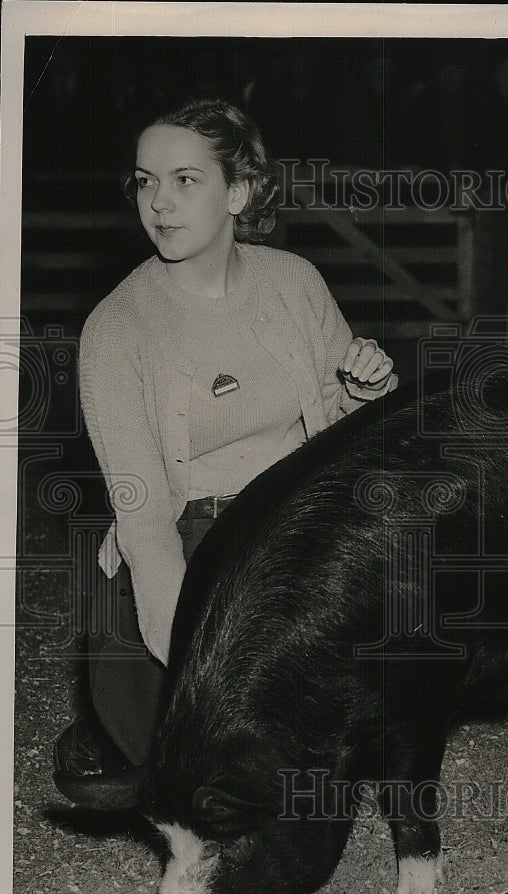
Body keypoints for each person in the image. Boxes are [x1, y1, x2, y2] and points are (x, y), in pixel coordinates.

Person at [53, 98, 397, 794]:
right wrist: (195, 650)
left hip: (295, 515)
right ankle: (114, 723)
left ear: (237, 191)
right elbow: (144, 519)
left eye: (184, 180)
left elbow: (339, 430)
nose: (159, 202)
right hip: (188, 536)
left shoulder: (293, 281)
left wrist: (363, 391)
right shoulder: (116, 328)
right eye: (145, 181)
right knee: (198, 763)